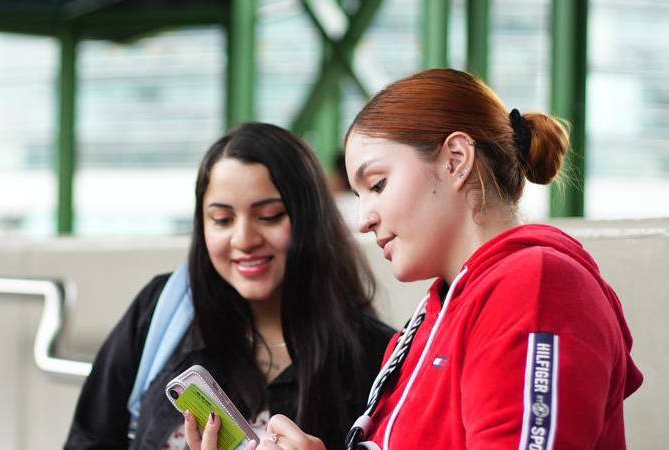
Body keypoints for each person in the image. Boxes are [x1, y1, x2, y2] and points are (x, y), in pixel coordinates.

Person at [188, 69, 644, 450]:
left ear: (456, 160)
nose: (365, 217)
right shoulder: (435, 315)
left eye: (378, 183)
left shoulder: (535, 287)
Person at [64, 123, 395, 450]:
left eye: (269, 216)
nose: (244, 240)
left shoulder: (377, 359)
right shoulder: (161, 312)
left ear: (310, 220)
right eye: (222, 220)